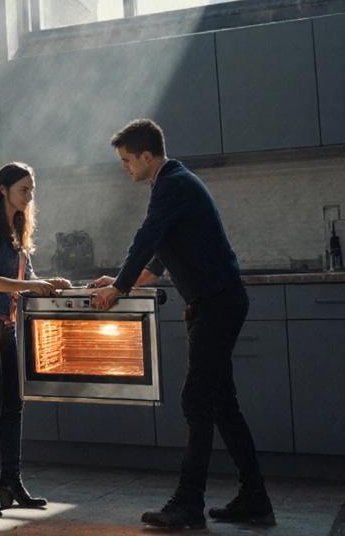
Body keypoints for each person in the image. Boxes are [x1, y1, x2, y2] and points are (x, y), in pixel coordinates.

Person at [90, 119, 274, 530]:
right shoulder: (174, 182)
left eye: (126, 161)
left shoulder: (171, 183)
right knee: (221, 404)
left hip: (216, 305)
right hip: (216, 303)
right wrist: (122, 280)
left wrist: (117, 288)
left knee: (195, 400)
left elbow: (147, 237)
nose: (124, 168)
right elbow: (157, 257)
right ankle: (256, 499)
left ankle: (188, 505)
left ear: (146, 156)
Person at [0, 162, 68, 517]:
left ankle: (10, 484)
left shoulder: (17, 227)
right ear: (2, 189)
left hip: (5, 325)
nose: (30, 196)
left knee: (14, 405)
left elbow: (26, 277)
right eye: (24, 189)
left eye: (32, 190)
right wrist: (32, 285)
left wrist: (50, 283)